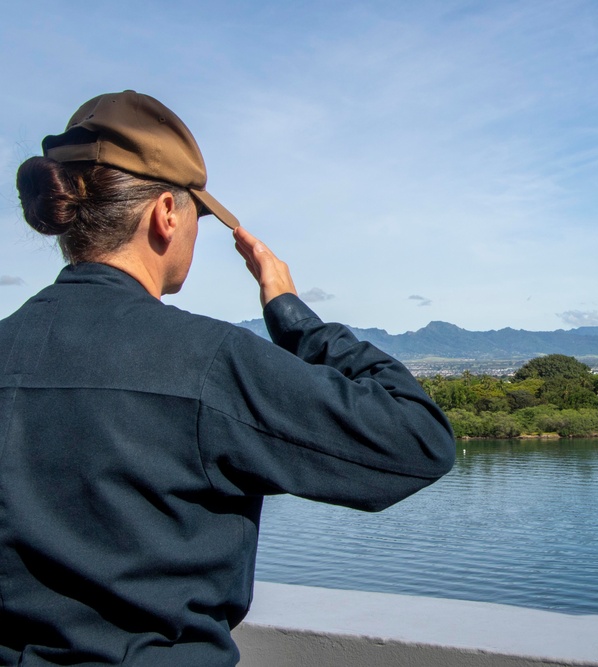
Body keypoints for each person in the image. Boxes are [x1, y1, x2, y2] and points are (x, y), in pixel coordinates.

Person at [0, 91, 455, 665]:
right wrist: (293, 316)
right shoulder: (210, 362)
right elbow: (418, 439)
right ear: (167, 213)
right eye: (198, 216)